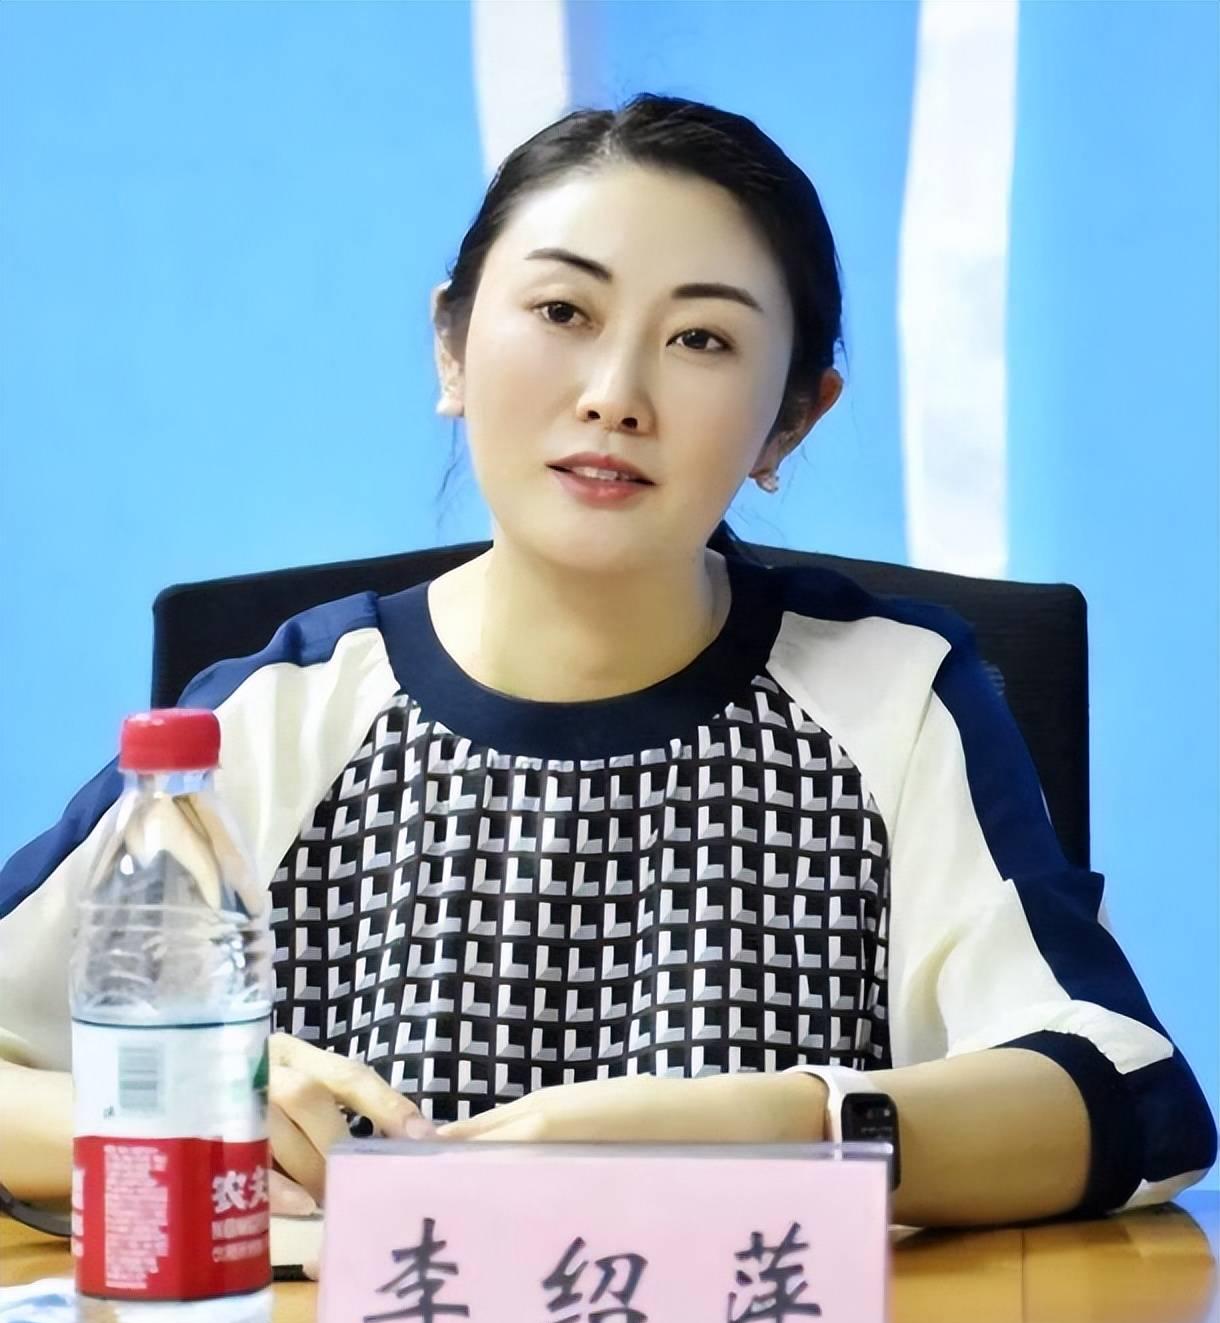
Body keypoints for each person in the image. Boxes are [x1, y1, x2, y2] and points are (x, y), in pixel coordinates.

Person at [0, 94, 1213, 1232]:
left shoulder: (893, 699)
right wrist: (181, 1109)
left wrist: (777, 1127)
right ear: (450, 347)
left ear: (792, 419)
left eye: (700, 338)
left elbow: (1129, 1097)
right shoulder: (279, 717)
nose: (613, 395)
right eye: (561, 313)